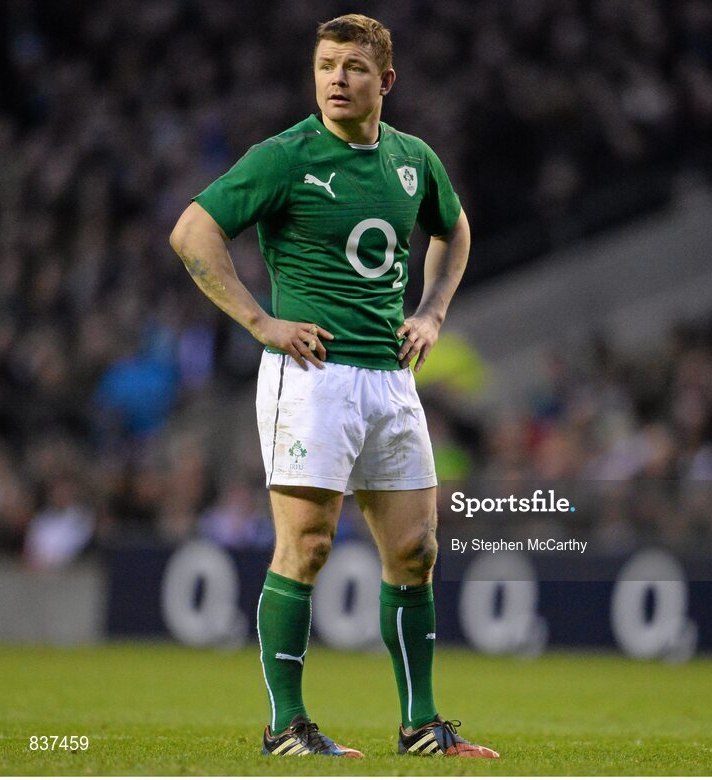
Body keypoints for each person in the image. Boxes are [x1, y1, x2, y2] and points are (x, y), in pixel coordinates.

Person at [169, 14, 497, 759]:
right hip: (310, 377)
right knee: (308, 544)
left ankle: (421, 726)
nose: (335, 79)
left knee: (415, 551)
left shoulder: (413, 159)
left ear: (385, 80)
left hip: (388, 376)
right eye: (324, 66)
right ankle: (285, 726)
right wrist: (260, 321)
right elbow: (192, 231)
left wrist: (433, 313)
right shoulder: (285, 156)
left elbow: (454, 228)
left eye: (351, 67)